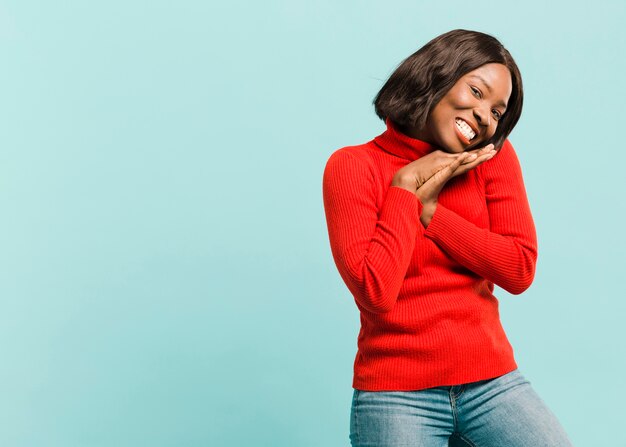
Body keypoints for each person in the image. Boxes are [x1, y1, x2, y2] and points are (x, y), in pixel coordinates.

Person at [322, 29, 574, 447]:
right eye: (476, 92)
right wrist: (405, 187)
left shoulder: (491, 158)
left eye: (497, 112)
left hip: (492, 383)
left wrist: (432, 213)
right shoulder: (352, 166)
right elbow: (375, 291)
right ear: (436, 77)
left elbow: (518, 268)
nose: (484, 116)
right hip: (396, 394)